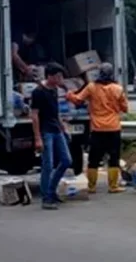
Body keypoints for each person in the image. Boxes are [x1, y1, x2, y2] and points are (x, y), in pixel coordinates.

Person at [67, 63, 129, 194]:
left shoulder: (91, 87)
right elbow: (125, 108)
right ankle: (113, 186)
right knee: (114, 157)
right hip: (113, 128)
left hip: (97, 129)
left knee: (93, 159)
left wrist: (69, 95)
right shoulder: (118, 89)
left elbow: (78, 100)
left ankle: (91, 187)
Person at [31, 63, 72, 210]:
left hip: (56, 129)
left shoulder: (55, 90)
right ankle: (46, 197)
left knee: (67, 161)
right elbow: (34, 116)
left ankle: (51, 190)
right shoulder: (38, 92)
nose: (61, 79)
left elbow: (56, 112)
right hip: (45, 131)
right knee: (47, 165)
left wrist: (64, 128)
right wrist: (37, 138)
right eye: (58, 76)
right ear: (50, 76)